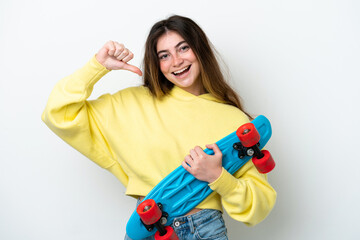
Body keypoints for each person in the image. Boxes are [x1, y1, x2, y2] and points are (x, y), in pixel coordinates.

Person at [42, 15, 276, 240]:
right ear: (157, 63)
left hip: (203, 229)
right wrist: (97, 66)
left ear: (200, 50)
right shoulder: (132, 103)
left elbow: (259, 205)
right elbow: (58, 112)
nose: (176, 61)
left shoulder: (233, 120)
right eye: (164, 55)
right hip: (147, 228)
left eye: (183, 48)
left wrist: (217, 176)